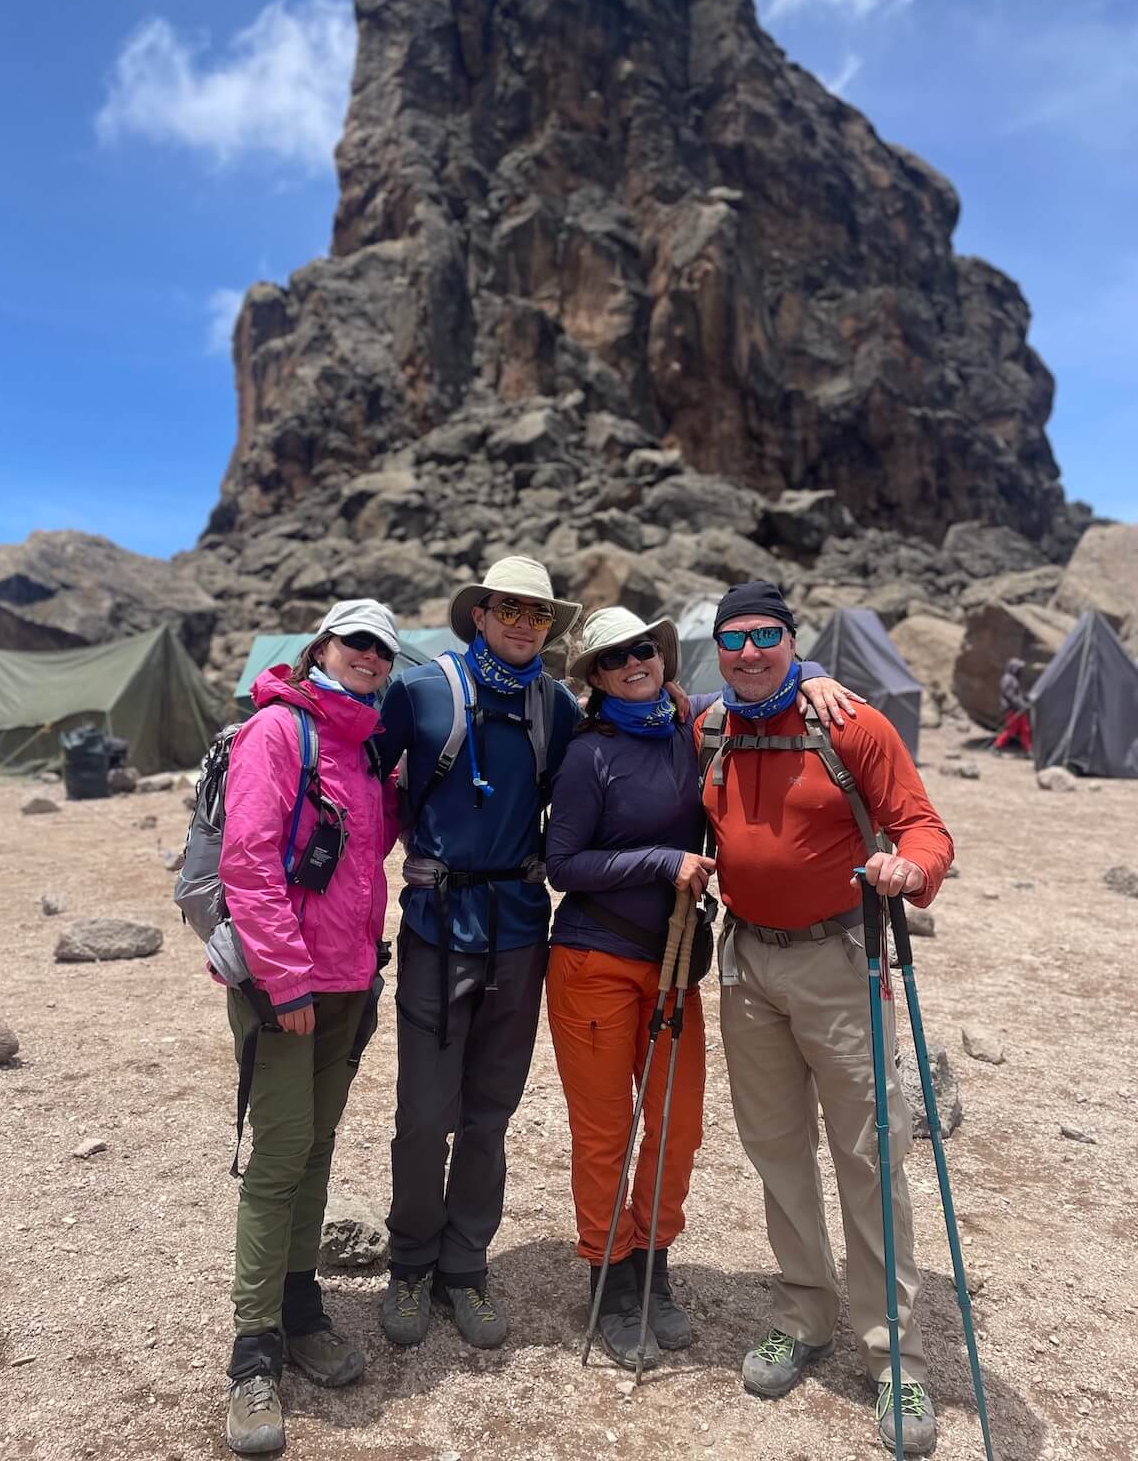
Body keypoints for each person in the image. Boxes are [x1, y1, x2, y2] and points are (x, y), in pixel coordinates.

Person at [544, 606, 857, 1369]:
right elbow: (564, 864)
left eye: (645, 648)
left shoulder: (695, 729)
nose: (635, 662)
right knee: (606, 1133)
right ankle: (609, 1279)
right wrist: (661, 863)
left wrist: (813, 676)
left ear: (665, 655)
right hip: (595, 962)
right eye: (616, 658)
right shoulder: (592, 755)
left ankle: (652, 1264)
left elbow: (767, 684)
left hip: (674, 965)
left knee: (678, 1127)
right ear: (596, 677)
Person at [695, 581, 953, 1457]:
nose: (751, 650)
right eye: (734, 637)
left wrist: (910, 873)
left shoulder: (851, 724)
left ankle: (897, 1360)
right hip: (747, 961)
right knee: (775, 1146)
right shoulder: (712, 728)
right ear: (718, 649)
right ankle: (805, 1314)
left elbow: (923, 827)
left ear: (792, 641)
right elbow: (629, 703)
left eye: (768, 635)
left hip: (843, 959)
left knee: (869, 1151)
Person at [373, 556, 582, 1351]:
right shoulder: (422, 691)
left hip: (522, 929)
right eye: (509, 609)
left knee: (489, 1115)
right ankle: (410, 1265)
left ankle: (465, 1267)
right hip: (436, 926)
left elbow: (598, 773)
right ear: (480, 614)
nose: (524, 624)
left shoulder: (556, 705)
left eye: (537, 614)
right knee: (425, 1115)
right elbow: (365, 782)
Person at [216, 600, 402, 1456]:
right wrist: (286, 981)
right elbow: (249, 863)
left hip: (349, 985)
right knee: (282, 1154)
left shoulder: (361, 752)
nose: (370, 655)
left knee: (319, 1147)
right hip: (285, 988)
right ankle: (254, 1352)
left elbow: (363, 858)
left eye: (383, 649)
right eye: (356, 641)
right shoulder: (280, 733)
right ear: (323, 646)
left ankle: (301, 1309)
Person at [993, 657, 1032, 754]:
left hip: (1018, 709)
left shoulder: (1014, 679)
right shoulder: (1008, 679)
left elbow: (1018, 694)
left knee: (1025, 729)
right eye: (1018, 668)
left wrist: (1025, 699)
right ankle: (996, 747)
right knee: (1011, 730)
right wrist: (1021, 704)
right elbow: (1010, 695)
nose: (1020, 671)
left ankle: (1028, 750)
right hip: (1013, 709)